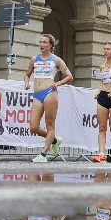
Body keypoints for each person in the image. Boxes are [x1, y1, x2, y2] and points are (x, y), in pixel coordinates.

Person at [25, 34, 73, 163]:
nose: (41, 44)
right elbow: (28, 74)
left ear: (51, 45)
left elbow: (69, 76)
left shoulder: (56, 60)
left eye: (44, 42)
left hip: (50, 92)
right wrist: (26, 82)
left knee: (50, 124)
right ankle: (55, 140)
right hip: (37, 93)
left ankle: (43, 154)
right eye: (40, 42)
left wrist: (57, 83)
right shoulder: (34, 59)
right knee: (33, 127)